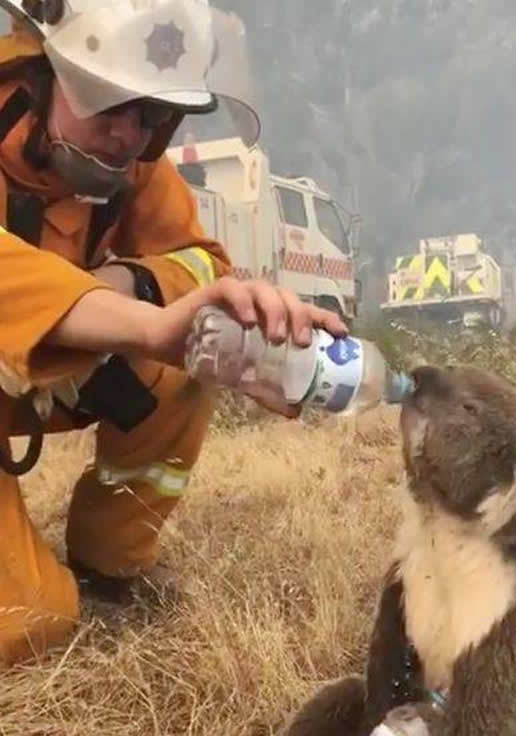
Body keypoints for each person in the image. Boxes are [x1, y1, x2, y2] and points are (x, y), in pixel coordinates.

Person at [0, 0, 347, 665]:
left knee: (193, 358)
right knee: (29, 623)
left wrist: (128, 293)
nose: (130, 135)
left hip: (28, 379)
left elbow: (201, 262)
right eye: (115, 104)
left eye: (155, 115)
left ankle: (109, 569)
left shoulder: (135, 169)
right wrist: (150, 326)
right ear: (52, 72)